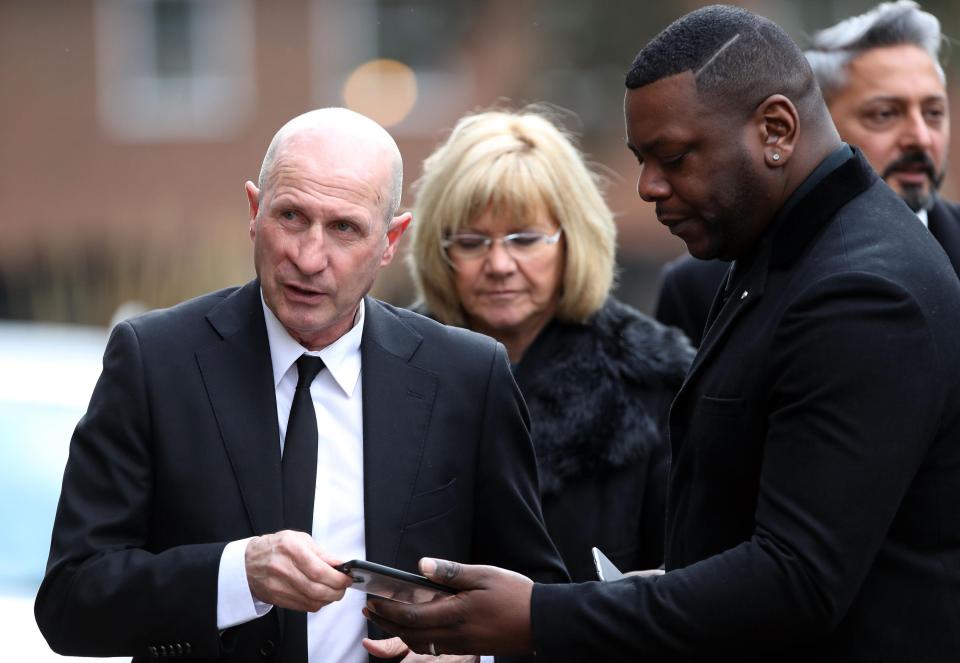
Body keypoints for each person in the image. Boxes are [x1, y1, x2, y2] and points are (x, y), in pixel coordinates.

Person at [364, 6, 960, 660]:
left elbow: (796, 580)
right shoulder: (773, 256)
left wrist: (539, 615)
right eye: (643, 159)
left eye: (673, 157)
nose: (648, 186)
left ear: (776, 130)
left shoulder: (864, 290)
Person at [34, 107, 567, 663]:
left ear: (390, 241)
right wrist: (237, 576)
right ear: (253, 210)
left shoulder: (467, 376)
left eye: (344, 228)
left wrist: (468, 656)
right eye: (290, 217)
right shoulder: (155, 361)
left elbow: (538, 601)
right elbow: (71, 602)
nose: (309, 258)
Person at [404, 108, 694, 582]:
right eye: (473, 241)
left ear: (571, 239)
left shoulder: (654, 379)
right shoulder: (387, 367)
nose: (499, 264)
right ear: (441, 250)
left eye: (524, 239)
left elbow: (680, 578)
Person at [654, 0, 958, 345]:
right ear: (818, 125)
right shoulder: (699, 288)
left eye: (934, 113)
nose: (920, 137)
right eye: (885, 114)